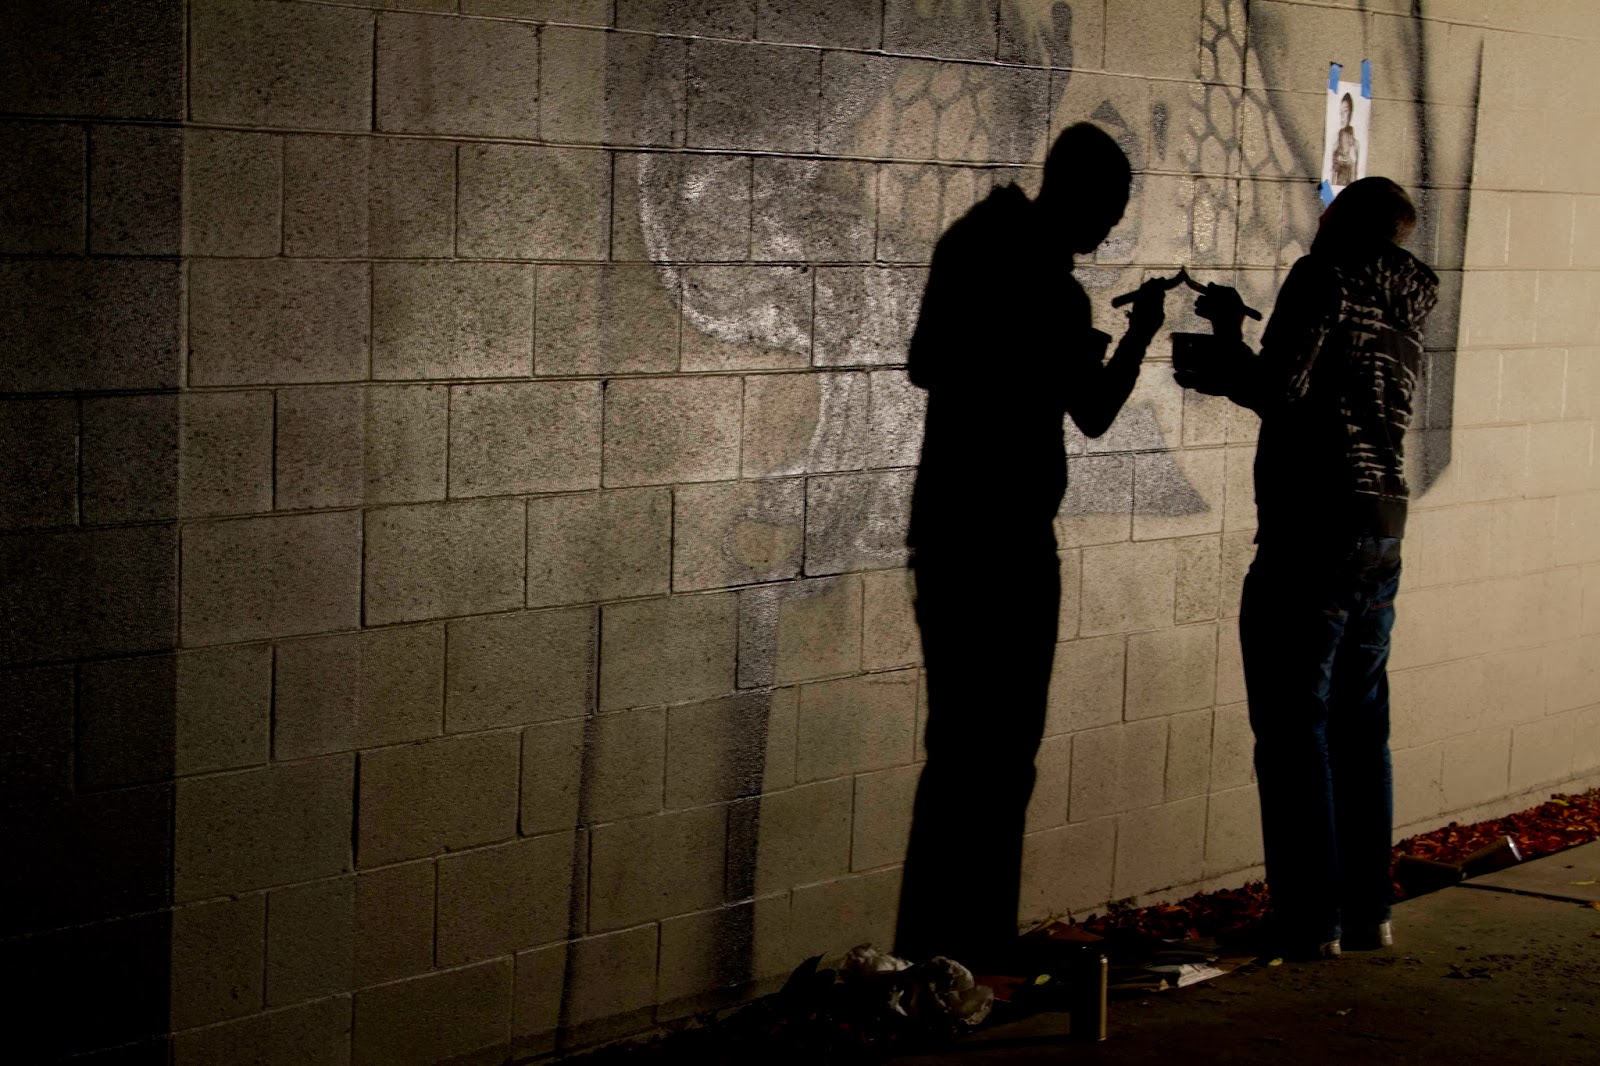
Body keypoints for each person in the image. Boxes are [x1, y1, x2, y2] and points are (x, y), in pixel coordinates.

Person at [894, 123, 1170, 968]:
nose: (1109, 233)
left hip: (954, 532)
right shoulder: (1047, 288)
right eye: (1109, 213)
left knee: (965, 752)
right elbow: (1092, 412)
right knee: (1000, 754)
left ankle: (947, 949)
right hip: (1005, 539)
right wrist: (1132, 335)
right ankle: (970, 948)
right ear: (1078, 194)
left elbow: (928, 362)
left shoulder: (974, 243)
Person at [1173, 177, 1438, 959]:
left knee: (1293, 729)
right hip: (1380, 528)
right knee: (1361, 729)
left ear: (1339, 221)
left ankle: (1309, 921)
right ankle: (1366, 915)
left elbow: (1280, 388)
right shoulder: (1408, 300)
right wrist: (1237, 335)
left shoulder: (1323, 275)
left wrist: (1222, 347)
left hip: (1314, 529)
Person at [1331, 92, 1359, 187]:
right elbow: (1332, 176)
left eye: (1345, 111)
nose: (1342, 116)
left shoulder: (1355, 145)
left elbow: (1356, 177)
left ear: (1351, 113)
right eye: (1341, 112)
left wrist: (1354, 162)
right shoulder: (1336, 144)